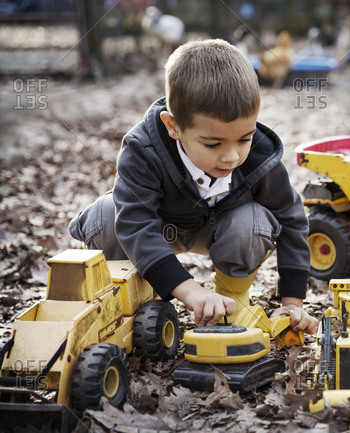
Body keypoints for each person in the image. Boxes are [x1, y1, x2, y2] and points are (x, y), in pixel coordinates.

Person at [69, 39, 319, 334]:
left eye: (243, 138)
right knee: (107, 215)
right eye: (213, 143)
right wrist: (189, 291)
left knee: (253, 221)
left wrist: (293, 303)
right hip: (157, 227)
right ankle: (136, 300)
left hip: (220, 230)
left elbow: (291, 220)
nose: (232, 156)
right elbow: (136, 223)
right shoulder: (143, 150)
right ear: (173, 126)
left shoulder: (260, 158)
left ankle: (229, 302)